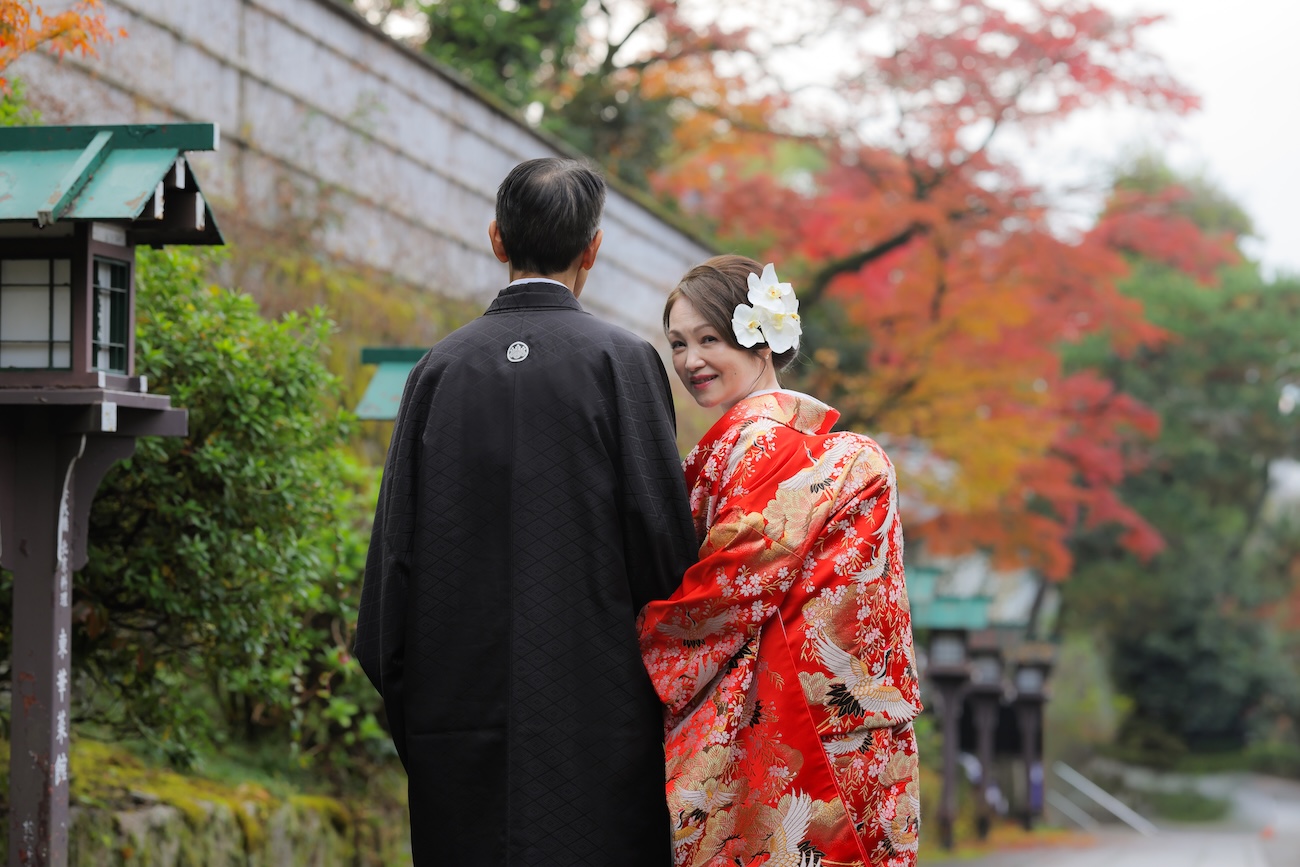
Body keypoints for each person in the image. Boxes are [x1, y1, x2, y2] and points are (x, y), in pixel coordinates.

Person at [355, 157, 698, 866]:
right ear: (593, 250)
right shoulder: (623, 362)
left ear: (496, 239)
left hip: (459, 725)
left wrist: (420, 715)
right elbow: (665, 558)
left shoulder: (438, 369)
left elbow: (392, 570)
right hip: (601, 726)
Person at [639, 255, 923, 867]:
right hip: (853, 726)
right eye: (678, 344)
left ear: (760, 341)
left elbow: (729, 589)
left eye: (709, 339)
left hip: (790, 729)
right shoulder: (820, 449)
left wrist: (632, 649)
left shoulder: (763, 443)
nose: (690, 362)